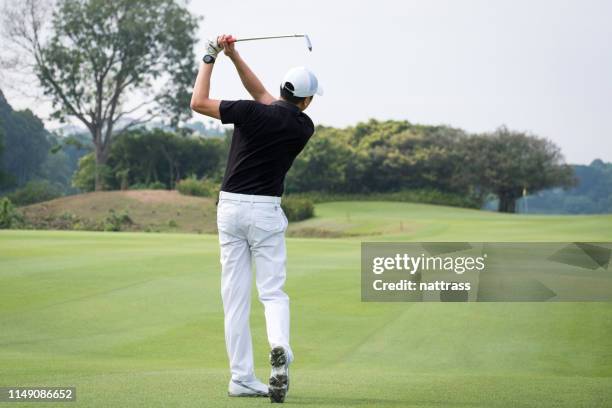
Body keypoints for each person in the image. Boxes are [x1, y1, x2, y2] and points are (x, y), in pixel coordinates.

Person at [190, 34, 322, 403]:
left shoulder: (250, 112)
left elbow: (198, 102)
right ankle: (279, 347)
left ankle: (241, 378)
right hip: (265, 211)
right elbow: (264, 96)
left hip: (230, 208)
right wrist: (234, 55)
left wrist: (211, 57)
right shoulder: (303, 126)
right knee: (272, 292)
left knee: (234, 299)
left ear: (282, 90)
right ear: (306, 100)